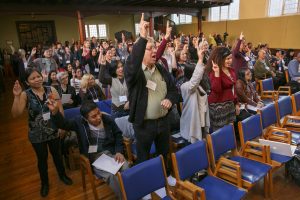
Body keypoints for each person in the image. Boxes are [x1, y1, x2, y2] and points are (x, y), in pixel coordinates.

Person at [124, 13, 178, 164]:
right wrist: (142, 37)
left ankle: (166, 179)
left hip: (163, 122)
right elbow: (132, 63)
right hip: (144, 125)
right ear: (141, 52)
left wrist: (169, 99)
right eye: (149, 49)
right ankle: (147, 185)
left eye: (154, 47)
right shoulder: (135, 74)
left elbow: (174, 90)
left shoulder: (161, 69)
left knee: (164, 154)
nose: (154, 51)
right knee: (144, 157)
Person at [11, 68, 72, 197]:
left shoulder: (52, 89)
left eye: (38, 76)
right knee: (42, 159)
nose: (37, 79)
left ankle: (62, 175)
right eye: (32, 78)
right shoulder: (25, 94)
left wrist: (62, 127)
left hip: (53, 129)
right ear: (27, 82)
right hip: (36, 133)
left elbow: (60, 108)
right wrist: (16, 97)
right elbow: (16, 114)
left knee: (57, 154)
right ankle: (45, 184)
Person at [47, 100, 128, 198]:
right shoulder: (79, 122)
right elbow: (63, 124)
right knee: (111, 175)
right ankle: (126, 197)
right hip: (94, 157)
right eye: (93, 116)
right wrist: (55, 112)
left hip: (111, 152)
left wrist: (119, 151)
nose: (98, 117)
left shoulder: (107, 119)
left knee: (126, 168)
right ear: (85, 118)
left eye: (98, 112)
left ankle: (134, 192)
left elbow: (118, 134)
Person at [180, 46, 210, 143]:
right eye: (199, 73)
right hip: (192, 123)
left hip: (201, 121)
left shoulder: (200, 86)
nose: (202, 75)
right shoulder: (185, 86)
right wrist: (200, 60)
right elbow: (194, 81)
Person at [207, 47, 239, 131]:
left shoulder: (231, 70)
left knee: (230, 130)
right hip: (218, 107)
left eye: (231, 58)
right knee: (220, 133)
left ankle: (231, 144)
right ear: (220, 59)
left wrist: (236, 103)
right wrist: (217, 73)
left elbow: (234, 89)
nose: (230, 61)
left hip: (229, 105)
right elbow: (217, 90)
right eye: (227, 59)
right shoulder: (213, 72)